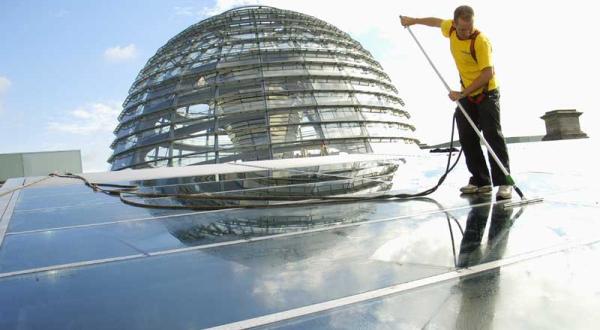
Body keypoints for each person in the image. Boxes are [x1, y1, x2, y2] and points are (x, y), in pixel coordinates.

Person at [401, 6, 512, 199]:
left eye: (470, 28)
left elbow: (488, 74)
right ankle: (480, 180)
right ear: (455, 24)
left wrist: (461, 94)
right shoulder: (450, 29)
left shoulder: (480, 41)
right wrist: (413, 20)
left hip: (487, 92)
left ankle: (504, 183)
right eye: (462, 29)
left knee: (492, 134)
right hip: (467, 93)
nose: (467, 32)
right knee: (467, 135)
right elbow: (436, 22)